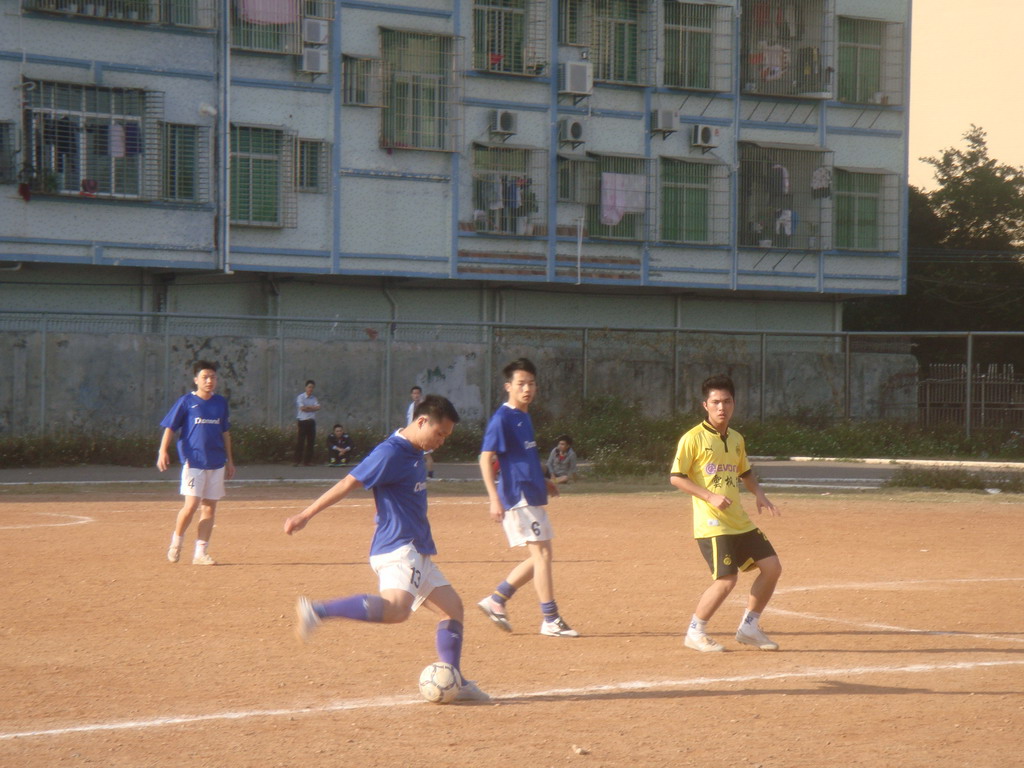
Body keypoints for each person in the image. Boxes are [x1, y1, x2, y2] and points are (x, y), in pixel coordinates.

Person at [284, 395, 489, 702]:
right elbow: (349, 482)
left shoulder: (417, 451)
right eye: (439, 434)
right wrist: (305, 515)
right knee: (396, 609)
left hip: (418, 549)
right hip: (398, 548)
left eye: (446, 436)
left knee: (453, 609)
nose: (441, 441)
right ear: (422, 421)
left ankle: (454, 680)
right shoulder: (390, 452)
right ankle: (317, 611)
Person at [670, 374, 782, 653]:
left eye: (727, 401)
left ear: (734, 404)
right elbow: (676, 477)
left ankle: (749, 628)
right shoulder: (692, 438)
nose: (722, 407)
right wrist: (709, 496)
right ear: (705, 405)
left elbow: (745, 472)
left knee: (772, 568)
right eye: (716, 402)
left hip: (738, 520)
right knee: (726, 580)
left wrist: (759, 493)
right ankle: (695, 632)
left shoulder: (736, 439)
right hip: (712, 523)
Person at [477, 358, 578, 638]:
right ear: (508, 386)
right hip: (517, 494)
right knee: (542, 555)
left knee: (542, 556)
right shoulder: (502, 418)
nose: (527, 389)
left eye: (531, 383)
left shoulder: (524, 416)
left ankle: (497, 599)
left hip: (531, 491)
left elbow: (524, 457)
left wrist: (543, 480)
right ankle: (550, 619)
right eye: (521, 384)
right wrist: (493, 499)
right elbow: (485, 458)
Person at [156, 360, 235, 566]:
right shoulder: (186, 402)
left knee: (209, 508)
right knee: (191, 506)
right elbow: (170, 427)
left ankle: (200, 553)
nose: (209, 381)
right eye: (205, 377)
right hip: (194, 462)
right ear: (196, 380)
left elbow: (225, 432)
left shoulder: (220, 403)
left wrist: (230, 460)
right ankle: (176, 543)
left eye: (213, 377)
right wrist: (162, 450)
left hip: (216, 462)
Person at [406, 385, 434, 478]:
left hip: (424, 434)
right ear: (411, 395)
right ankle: (413, 474)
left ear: (421, 394)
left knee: (427, 455)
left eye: (418, 393)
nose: (416, 395)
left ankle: (430, 475)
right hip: (414, 435)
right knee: (412, 455)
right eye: (414, 393)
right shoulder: (411, 406)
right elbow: (410, 421)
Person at [294, 380, 320, 466]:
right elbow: (302, 408)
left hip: (311, 422)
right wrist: (312, 408)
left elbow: (318, 407)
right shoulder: (300, 397)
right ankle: (297, 461)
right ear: (306, 387)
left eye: (312, 387)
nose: (310, 389)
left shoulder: (314, 398)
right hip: (302, 421)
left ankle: (307, 461)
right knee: (300, 441)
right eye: (309, 387)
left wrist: (308, 407)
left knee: (310, 442)